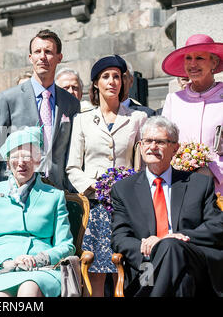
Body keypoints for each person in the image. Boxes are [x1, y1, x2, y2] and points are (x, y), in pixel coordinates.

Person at [111, 116, 223, 297]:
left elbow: (217, 226)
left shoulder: (198, 183)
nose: (152, 147)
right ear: (140, 146)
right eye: (147, 141)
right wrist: (155, 251)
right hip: (146, 265)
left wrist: (178, 238)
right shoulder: (124, 189)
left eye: (160, 142)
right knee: (181, 275)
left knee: (172, 245)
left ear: (175, 148)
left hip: (195, 261)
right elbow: (120, 237)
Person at [66, 55, 147, 297]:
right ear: (95, 84)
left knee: (127, 267)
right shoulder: (82, 120)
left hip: (128, 206)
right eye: (105, 77)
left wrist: (131, 188)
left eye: (117, 77)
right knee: (95, 272)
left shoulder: (137, 118)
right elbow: (72, 167)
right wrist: (96, 188)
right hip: (95, 205)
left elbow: (142, 165)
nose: (112, 81)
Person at [0, 127, 74, 297]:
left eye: (27, 156)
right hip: (3, 269)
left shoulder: (54, 196)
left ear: (37, 161)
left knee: (29, 288)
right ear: (7, 162)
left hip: (42, 270)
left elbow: (66, 245)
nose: (21, 162)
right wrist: (5, 261)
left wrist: (39, 259)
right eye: (15, 157)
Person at [0, 29, 80, 191]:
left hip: (59, 189)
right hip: (18, 187)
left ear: (59, 57)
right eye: (37, 52)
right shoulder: (8, 99)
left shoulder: (71, 103)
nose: (42, 57)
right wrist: (6, 186)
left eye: (48, 52)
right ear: (30, 57)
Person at [161, 34, 223, 195]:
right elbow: (164, 145)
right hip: (180, 187)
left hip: (219, 190)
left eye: (200, 58)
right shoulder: (173, 100)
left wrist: (214, 171)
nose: (193, 64)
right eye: (188, 58)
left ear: (214, 63)